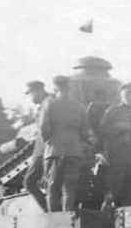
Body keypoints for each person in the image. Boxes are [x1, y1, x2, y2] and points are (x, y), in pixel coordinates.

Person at [40, 75, 94, 212]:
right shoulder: (79, 107)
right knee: (69, 189)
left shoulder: (49, 104)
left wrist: (50, 141)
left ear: (55, 87)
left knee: (52, 187)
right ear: (69, 87)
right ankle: (66, 220)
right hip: (74, 152)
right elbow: (84, 132)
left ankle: (53, 221)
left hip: (54, 151)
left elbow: (43, 127)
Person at [97, 82, 131, 207]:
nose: (130, 96)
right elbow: (102, 131)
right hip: (117, 157)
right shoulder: (112, 112)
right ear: (121, 95)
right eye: (127, 93)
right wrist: (120, 127)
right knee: (116, 190)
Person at [24, 80, 50, 212]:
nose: (31, 98)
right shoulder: (47, 103)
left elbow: (46, 131)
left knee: (29, 183)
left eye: (30, 94)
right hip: (44, 149)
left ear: (37, 91)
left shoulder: (47, 104)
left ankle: (48, 212)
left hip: (43, 151)